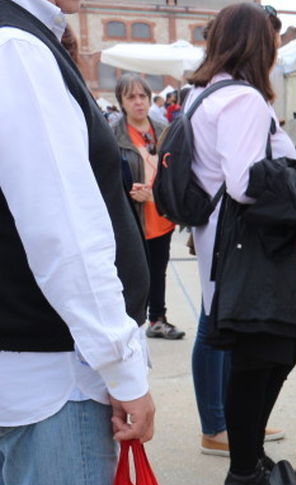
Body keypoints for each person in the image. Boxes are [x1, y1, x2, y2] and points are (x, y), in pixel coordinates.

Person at [0, 0, 156, 485]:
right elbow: (64, 231)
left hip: (24, 369)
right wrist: (123, 367)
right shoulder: (19, 48)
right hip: (50, 377)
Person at [186, 2, 296, 485]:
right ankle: (245, 469)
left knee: (268, 352)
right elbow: (245, 182)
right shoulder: (242, 100)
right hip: (251, 247)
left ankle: (248, 457)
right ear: (257, 44)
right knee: (264, 354)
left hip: (226, 246)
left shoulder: (205, 93)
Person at [113, 73, 184, 340]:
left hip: (160, 214)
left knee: (158, 270)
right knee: (130, 273)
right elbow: (107, 176)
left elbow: (175, 170)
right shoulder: (114, 135)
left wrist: (160, 194)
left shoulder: (163, 128)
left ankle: (157, 319)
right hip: (132, 217)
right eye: (131, 97)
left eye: (142, 96)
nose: (138, 102)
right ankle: (129, 323)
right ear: (121, 101)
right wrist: (129, 190)